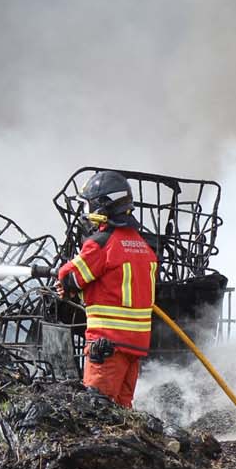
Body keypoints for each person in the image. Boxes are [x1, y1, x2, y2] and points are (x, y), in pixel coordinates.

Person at [55, 170, 159, 408]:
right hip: (135, 347)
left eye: (90, 205)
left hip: (107, 346)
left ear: (102, 207)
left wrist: (68, 285)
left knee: (98, 411)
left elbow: (69, 275)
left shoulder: (101, 244)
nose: (88, 211)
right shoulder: (143, 247)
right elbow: (114, 286)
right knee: (123, 413)